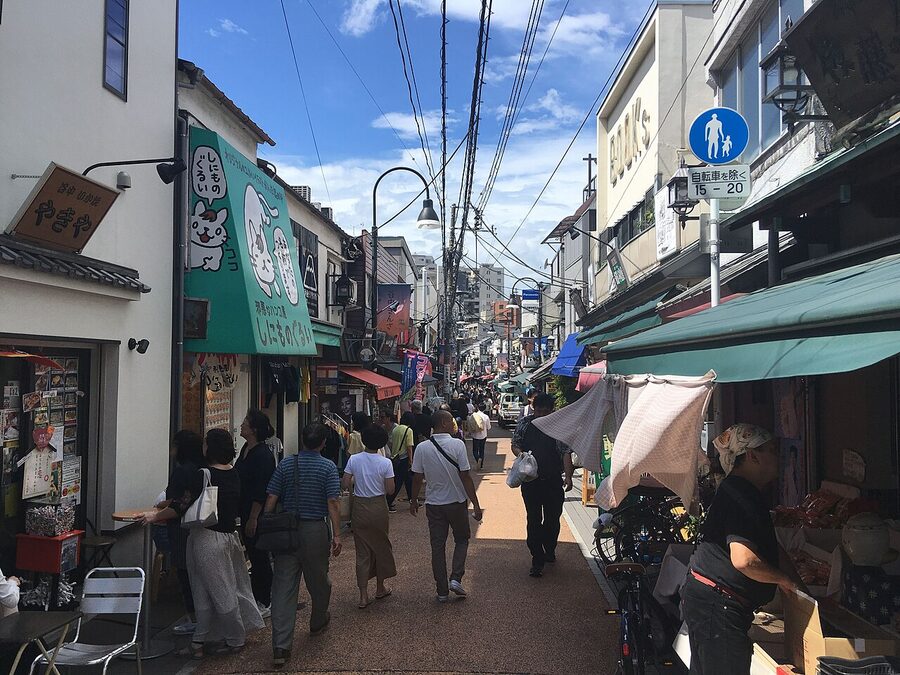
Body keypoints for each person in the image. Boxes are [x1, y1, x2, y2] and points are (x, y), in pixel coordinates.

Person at [683, 424, 800, 675]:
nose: (777, 456)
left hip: (709, 599)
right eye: (770, 450)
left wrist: (797, 585)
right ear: (752, 456)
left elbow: (770, 547)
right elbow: (744, 560)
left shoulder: (741, 490)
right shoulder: (741, 495)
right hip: (718, 604)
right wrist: (783, 580)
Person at [142, 429, 264, 658]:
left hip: (205, 537)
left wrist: (154, 516)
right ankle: (202, 639)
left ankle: (233, 638)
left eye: (206, 443)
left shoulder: (204, 474)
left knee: (211, 591)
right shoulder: (234, 473)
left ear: (211, 447)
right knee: (225, 587)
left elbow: (182, 505)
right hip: (229, 537)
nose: (203, 447)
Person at [265, 422, 342, 669]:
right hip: (314, 530)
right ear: (322, 443)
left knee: (283, 587)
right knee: (319, 580)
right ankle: (318, 619)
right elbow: (332, 502)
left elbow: (272, 497)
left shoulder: (286, 464)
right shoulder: (328, 467)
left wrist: (268, 524)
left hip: (287, 532)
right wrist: (337, 534)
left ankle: (281, 645)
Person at [409, 410, 483, 602]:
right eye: (451, 421)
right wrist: (475, 503)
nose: (454, 424)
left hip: (434, 504)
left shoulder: (422, 448)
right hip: (456, 502)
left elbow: (417, 478)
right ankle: (456, 578)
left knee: (437, 546)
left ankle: (441, 590)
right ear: (443, 423)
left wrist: (414, 500)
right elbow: (465, 477)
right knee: (462, 539)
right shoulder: (457, 445)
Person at [512, 393, 574, 578]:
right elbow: (515, 444)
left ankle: (550, 548)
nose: (542, 415)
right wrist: (522, 456)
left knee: (553, 519)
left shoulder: (559, 425)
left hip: (553, 479)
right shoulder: (524, 423)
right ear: (534, 408)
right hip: (530, 481)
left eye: (546, 411)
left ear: (552, 410)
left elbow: (565, 452)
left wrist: (569, 476)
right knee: (533, 519)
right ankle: (537, 558)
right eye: (539, 410)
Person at [341, 425, 397, 609]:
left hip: (360, 506)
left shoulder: (354, 460)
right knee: (381, 546)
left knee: (362, 552)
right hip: (379, 506)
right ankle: (380, 587)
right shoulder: (385, 463)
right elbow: (390, 490)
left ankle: (363, 595)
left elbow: (345, 483)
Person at [161, 430, 204, 635]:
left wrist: (155, 515)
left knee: (186, 574)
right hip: (200, 527)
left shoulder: (182, 471)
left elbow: (181, 502)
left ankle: (195, 620)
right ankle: (201, 618)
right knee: (197, 574)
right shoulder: (202, 468)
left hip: (181, 527)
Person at [234, 409, 277, 616]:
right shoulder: (245, 449)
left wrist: (253, 517)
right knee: (253, 552)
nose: (241, 425)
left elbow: (262, 489)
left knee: (259, 555)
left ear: (254, 429)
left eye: (245, 422)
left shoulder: (263, 455)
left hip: (256, 512)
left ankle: (265, 600)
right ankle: (258, 595)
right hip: (243, 509)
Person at [382, 410, 414, 513]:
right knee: (399, 482)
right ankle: (388, 500)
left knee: (407, 480)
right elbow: (409, 447)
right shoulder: (408, 430)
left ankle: (412, 498)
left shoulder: (396, 429)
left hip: (395, 458)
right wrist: (411, 460)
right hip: (403, 458)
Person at [468, 403, 492, 470]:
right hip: (483, 436)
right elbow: (488, 427)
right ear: (484, 409)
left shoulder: (473, 415)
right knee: (482, 450)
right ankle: (481, 465)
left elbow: (470, 424)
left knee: (475, 450)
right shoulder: (486, 416)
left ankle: (477, 459)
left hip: (475, 435)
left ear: (478, 408)